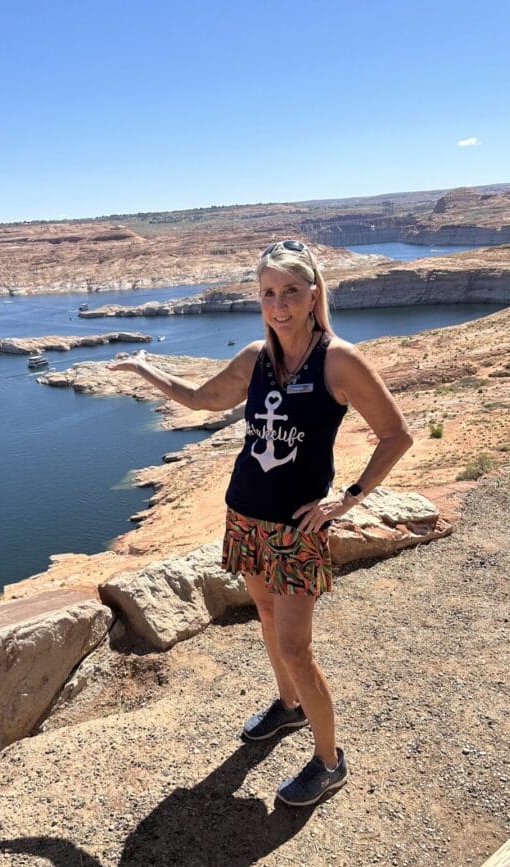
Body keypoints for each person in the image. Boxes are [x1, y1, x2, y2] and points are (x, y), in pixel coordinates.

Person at [108, 240, 413, 806]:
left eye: (291, 291)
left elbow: (397, 435)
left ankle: (330, 761)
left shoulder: (339, 360)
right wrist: (147, 368)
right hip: (245, 514)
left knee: (297, 648)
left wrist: (347, 499)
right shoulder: (255, 358)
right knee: (268, 617)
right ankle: (288, 708)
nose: (279, 304)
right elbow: (200, 400)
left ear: (313, 293)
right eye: (269, 292)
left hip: (299, 530)